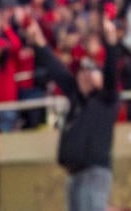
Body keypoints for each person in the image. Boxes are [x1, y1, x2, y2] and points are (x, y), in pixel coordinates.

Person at [25, 18, 121, 211]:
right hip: (74, 173)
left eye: (91, 72)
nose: (85, 75)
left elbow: (111, 71)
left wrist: (111, 43)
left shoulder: (106, 99)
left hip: (94, 171)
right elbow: (57, 69)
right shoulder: (77, 98)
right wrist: (40, 44)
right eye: (82, 72)